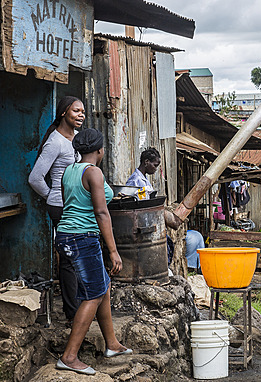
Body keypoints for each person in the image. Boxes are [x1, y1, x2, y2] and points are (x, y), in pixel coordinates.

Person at [54, 129, 131, 375]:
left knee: (102, 285)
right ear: (100, 150)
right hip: (82, 238)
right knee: (94, 294)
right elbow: (100, 213)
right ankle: (69, 356)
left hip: (65, 235)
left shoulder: (69, 170)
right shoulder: (94, 172)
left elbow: (70, 203)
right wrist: (113, 251)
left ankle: (112, 344)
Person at [29, 96, 84, 323]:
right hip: (61, 206)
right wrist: (53, 196)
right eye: (76, 111)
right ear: (63, 113)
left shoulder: (77, 138)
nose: (81, 115)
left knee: (78, 257)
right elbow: (35, 178)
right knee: (69, 260)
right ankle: (72, 313)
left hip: (75, 205)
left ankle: (79, 306)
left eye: (83, 112)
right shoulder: (55, 142)